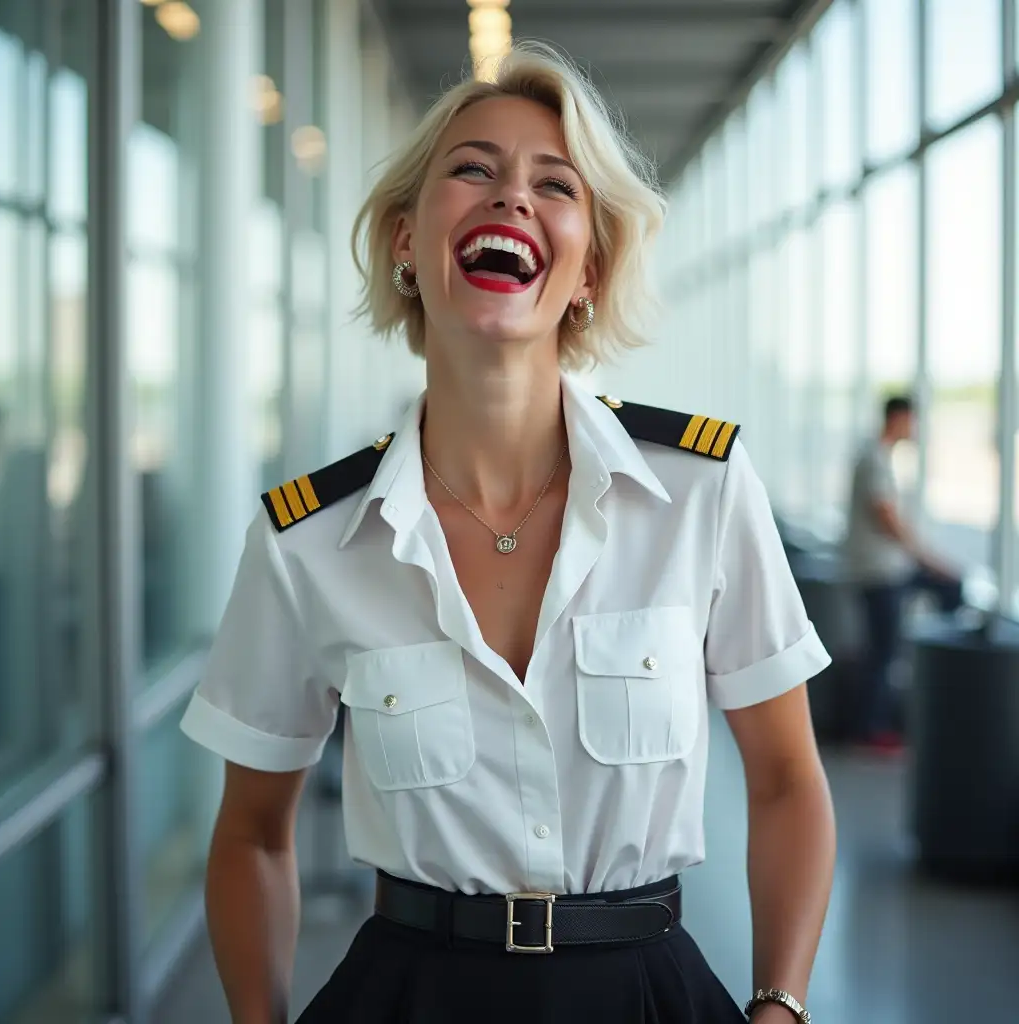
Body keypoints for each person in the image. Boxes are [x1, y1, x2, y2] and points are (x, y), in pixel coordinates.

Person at [179, 42, 836, 1024]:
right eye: (472, 169)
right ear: (406, 241)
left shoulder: (699, 490)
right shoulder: (308, 541)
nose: (511, 198)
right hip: (408, 994)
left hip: (646, 993)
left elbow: (786, 780)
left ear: (588, 270)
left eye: (553, 183)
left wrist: (779, 1006)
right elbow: (251, 835)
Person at [843, 394, 963, 751]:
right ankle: (870, 730)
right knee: (882, 652)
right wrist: (928, 559)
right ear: (898, 419)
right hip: (880, 573)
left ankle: (872, 724)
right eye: (912, 421)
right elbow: (888, 519)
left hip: (883, 570)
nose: (915, 429)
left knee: (882, 649)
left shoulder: (875, 457)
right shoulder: (876, 461)